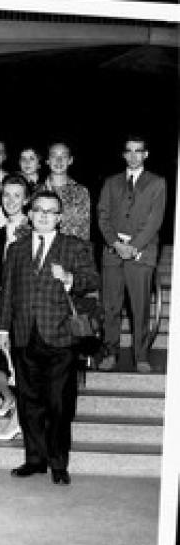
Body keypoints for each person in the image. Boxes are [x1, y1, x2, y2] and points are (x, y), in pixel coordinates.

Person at [0, 190, 100, 485]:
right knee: (28, 403)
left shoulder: (74, 247)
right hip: (24, 335)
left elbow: (92, 280)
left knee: (59, 404)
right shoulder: (16, 249)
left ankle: (58, 463)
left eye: (50, 211)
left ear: (60, 217)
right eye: (38, 210)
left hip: (61, 336)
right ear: (29, 214)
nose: (43, 215)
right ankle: (34, 459)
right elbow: (8, 293)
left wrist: (69, 278)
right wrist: (3, 330)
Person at [97, 136, 166, 373]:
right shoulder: (111, 182)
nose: (134, 155)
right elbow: (102, 216)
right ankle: (110, 352)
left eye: (139, 151)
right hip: (112, 253)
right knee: (110, 307)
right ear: (123, 155)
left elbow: (154, 220)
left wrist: (133, 246)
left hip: (142, 254)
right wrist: (116, 244)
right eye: (129, 151)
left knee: (140, 307)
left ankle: (142, 355)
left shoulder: (157, 183)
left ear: (146, 154)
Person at [0, 174, 32, 441]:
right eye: (6, 195)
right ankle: (13, 401)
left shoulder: (33, 232)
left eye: (17, 195)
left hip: (23, 310)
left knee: (21, 368)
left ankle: (17, 422)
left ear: (26, 199)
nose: (11, 200)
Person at [38, 142, 91, 241]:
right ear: (47, 161)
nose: (59, 160)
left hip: (72, 252)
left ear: (70, 160)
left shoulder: (81, 192)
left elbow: (85, 230)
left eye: (64, 156)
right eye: (54, 155)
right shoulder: (36, 191)